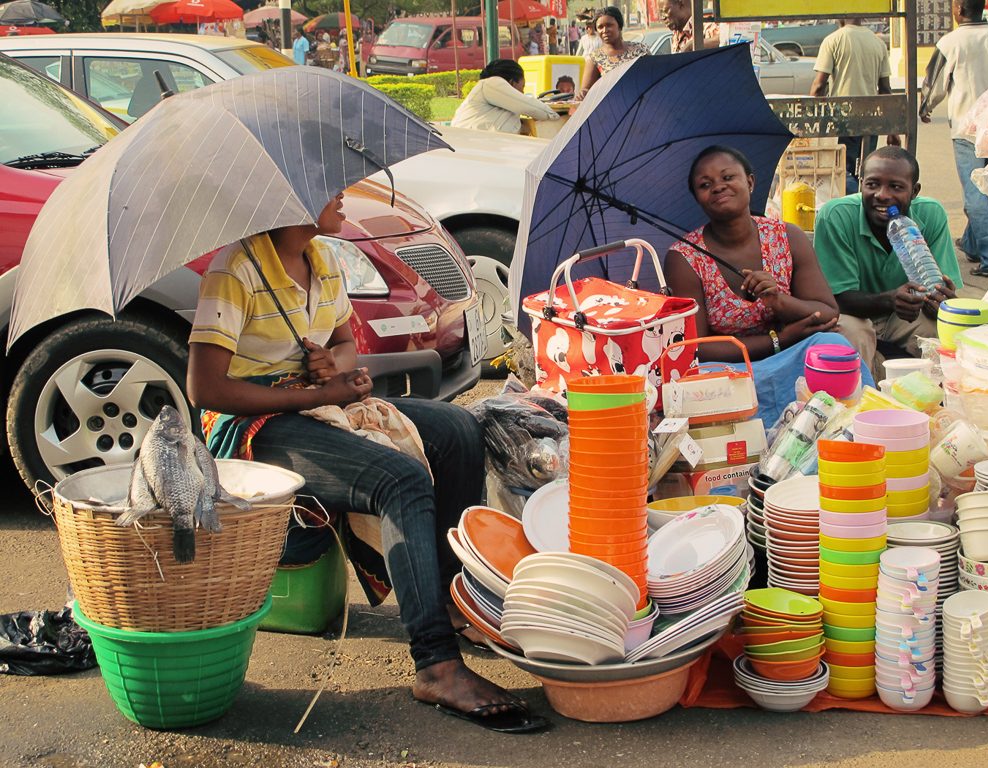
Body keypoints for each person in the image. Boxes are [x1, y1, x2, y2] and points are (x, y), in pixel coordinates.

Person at [187, 190, 547, 734]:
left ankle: (450, 603)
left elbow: (344, 348)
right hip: (253, 427)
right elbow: (205, 388)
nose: (341, 200)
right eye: (327, 190)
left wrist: (336, 369)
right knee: (399, 479)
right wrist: (307, 395)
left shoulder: (323, 259)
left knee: (457, 428)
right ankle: (436, 663)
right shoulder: (236, 271)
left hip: (313, 400)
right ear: (290, 200)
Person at [664, 145, 869, 427]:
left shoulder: (788, 237)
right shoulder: (684, 257)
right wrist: (779, 340)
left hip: (792, 354)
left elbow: (827, 312)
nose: (718, 187)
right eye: (705, 184)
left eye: (727, 177)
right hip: (730, 369)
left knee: (832, 343)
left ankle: (859, 429)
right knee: (702, 379)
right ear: (698, 198)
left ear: (750, 181)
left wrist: (780, 302)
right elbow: (698, 348)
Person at [814, 146, 962, 379]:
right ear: (861, 183)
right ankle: (857, 400)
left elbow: (940, 285)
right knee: (851, 334)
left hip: (905, 316)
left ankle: (932, 402)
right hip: (853, 313)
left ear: (914, 191)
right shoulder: (837, 216)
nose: (882, 195)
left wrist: (943, 302)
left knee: (941, 333)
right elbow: (834, 299)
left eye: (895, 187)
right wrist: (891, 300)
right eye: (872, 184)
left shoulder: (931, 214)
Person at [920, 0, 988, 278]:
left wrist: (925, 107)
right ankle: (973, 243)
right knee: (986, 186)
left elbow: (935, 84)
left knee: (974, 196)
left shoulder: (951, 42)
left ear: (958, 10)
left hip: (966, 129)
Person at [810, 19, 899, 193]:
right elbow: (885, 89)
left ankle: (852, 207)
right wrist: (892, 129)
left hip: (842, 118)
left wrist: (811, 120)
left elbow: (819, 86)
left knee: (844, 170)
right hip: (872, 118)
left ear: (840, 18)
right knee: (865, 168)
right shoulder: (878, 43)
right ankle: (863, 205)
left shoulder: (833, 40)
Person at [450, 59, 559, 134]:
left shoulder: (501, 104)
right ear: (511, 83)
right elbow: (529, 106)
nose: (522, 92)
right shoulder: (491, 83)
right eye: (522, 86)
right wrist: (555, 114)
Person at [579, 7, 650, 99]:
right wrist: (583, 94)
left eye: (609, 25)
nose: (605, 30)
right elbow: (585, 92)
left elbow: (652, 78)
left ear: (619, 26)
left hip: (642, 103)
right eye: (600, 27)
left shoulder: (641, 50)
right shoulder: (595, 58)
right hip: (613, 109)